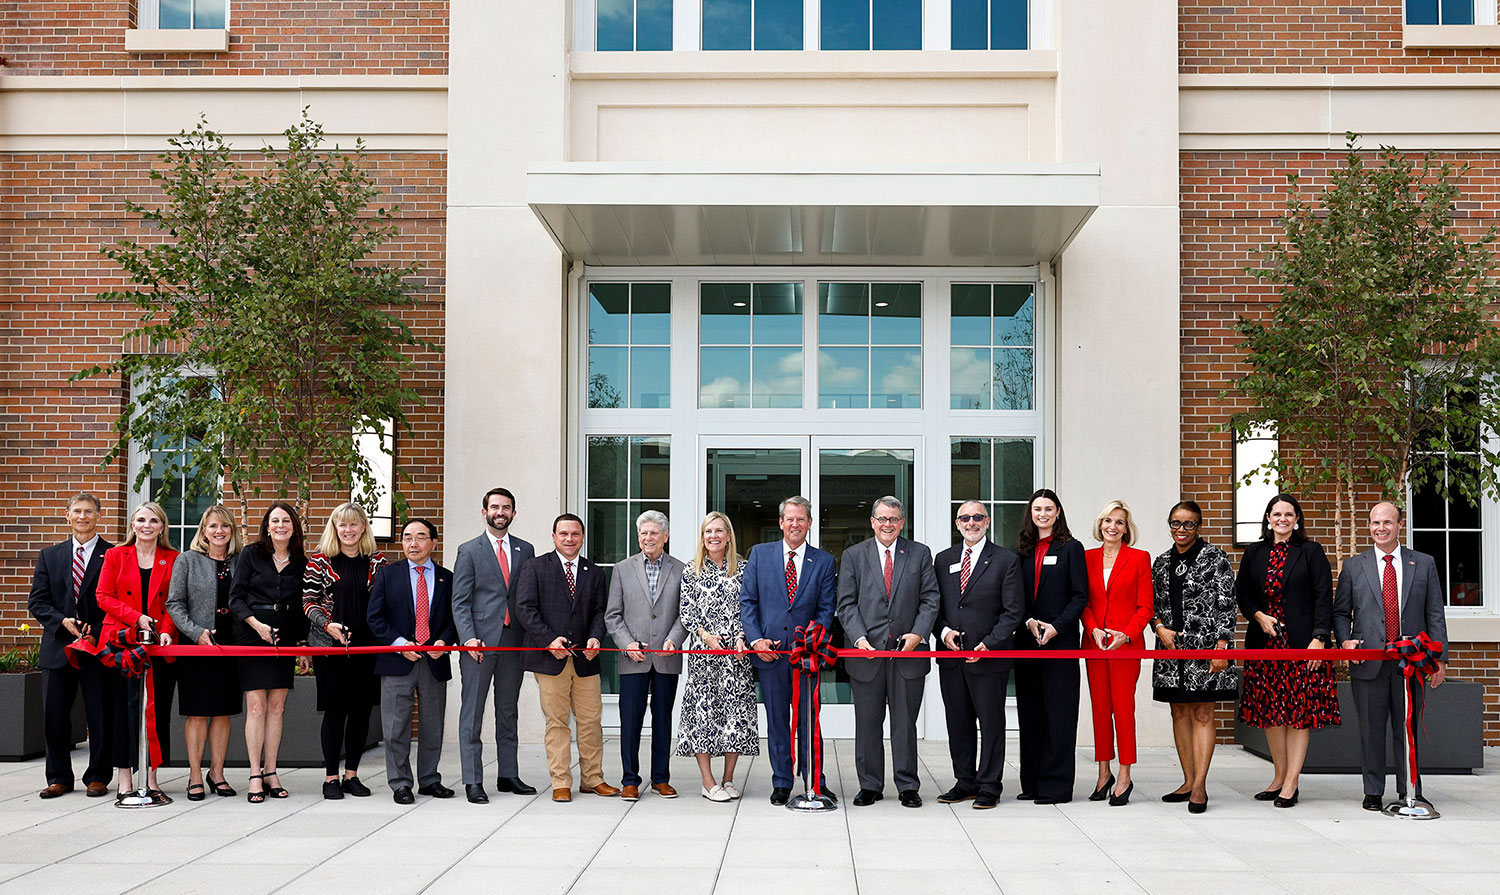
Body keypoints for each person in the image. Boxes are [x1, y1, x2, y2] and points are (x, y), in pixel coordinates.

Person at [1335, 501, 1448, 811]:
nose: (1380, 528)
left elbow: (1434, 612)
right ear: (1369, 526)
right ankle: (1373, 790)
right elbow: (1341, 613)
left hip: (1411, 663)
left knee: (1407, 729)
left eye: (1387, 522)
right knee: (1371, 730)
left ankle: (1409, 788)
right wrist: (1346, 642)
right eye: (1375, 523)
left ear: (1401, 524)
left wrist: (1440, 658)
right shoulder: (1354, 566)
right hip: (1368, 661)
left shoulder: (1423, 564)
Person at [1236, 493, 1340, 808]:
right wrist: (1258, 616)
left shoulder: (1310, 551)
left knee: (1298, 715)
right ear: (1268, 518)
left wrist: (1319, 639)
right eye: (1276, 514)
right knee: (1271, 713)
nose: (1282, 519)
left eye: (1289, 514)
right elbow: (1243, 592)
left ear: (1297, 519)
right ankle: (1279, 776)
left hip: (1302, 645)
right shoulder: (1254, 552)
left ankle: (1292, 782)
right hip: (1264, 644)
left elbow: (1324, 597)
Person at [836, 495, 939, 809]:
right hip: (866, 654)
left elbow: (930, 599)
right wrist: (858, 638)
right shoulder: (854, 555)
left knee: (905, 724)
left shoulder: (919, 554)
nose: (887, 525)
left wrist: (918, 634)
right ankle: (870, 785)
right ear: (872, 522)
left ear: (901, 522)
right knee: (867, 723)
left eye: (893, 519)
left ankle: (907, 785)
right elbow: (846, 603)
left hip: (908, 654)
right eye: (881, 519)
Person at [740, 496, 838, 806]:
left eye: (801, 519)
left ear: (810, 523)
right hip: (769, 655)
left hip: (806, 657)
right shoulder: (759, 555)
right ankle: (782, 781)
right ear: (780, 523)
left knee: (809, 721)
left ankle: (814, 781)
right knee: (778, 721)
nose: (795, 524)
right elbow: (748, 602)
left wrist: (811, 642)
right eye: (789, 519)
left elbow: (826, 610)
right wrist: (756, 640)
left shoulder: (823, 561)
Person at [515, 514, 621, 802]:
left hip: (587, 659)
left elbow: (601, 611)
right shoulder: (534, 567)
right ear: (553, 537)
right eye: (563, 533)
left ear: (582, 537)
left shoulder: (594, 572)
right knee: (557, 722)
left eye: (575, 534)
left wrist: (596, 637)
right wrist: (549, 640)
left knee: (591, 722)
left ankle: (592, 779)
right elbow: (525, 609)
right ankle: (561, 781)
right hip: (550, 659)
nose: (569, 539)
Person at [933, 500, 1024, 810]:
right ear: (957, 523)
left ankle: (989, 785)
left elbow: (1012, 612)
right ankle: (965, 781)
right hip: (952, 657)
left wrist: (989, 644)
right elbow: (936, 606)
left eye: (977, 517)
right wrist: (944, 633)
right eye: (965, 518)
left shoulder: (1005, 560)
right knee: (957, 722)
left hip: (989, 657)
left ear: (987, 522)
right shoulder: (943, 559)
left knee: (991, 723)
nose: (971, 522)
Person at [1150, 500, 1237, 814]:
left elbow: (1227, 604)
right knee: (1179, 713)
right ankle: (1187, 780)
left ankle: (1200, 786)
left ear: (1199, 526)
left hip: (1207, 648)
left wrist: (1222, 646)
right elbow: (1153, 606)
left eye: (1188, 524)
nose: (1181, 530)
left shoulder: (1216, 558)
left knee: (1202, 713)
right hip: (1171, 654)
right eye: (1175, 523)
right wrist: (1159, 628)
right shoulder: (1161, 562)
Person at [451, 486, 537, 803]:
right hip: (478, 644)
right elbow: (459, 602)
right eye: (495, 507)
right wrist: (468, 637)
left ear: (513, 513)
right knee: (472, 714)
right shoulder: (469, 550)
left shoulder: (525, 550)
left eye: (506, 507)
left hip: (513, 643)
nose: (500, 512)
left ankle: (508, 775)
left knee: (507, 711)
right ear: (484, 511)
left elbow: (525, 597)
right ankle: (473, 780)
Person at [27, 493, 114, 799]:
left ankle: (98, 776)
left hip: (97, 648)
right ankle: (59, 777)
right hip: (58, 647)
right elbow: (37, 601)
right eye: (77, 511)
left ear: (98, 516)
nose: (82, 516)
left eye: (89, 511)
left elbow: (116, 602)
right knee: (54, 717)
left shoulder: (112, 554)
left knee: (100, 715)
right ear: (67, 515)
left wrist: (98, 634)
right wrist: (61, 621)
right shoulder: (50, 556)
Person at [302, 503, 388, 800]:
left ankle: (352, 775)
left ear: (363, 527)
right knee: (335, 712)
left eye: (354, 525)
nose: (348, 530)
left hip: (367, 648)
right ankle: (330, 778)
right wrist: (327, 626)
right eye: (343, 525)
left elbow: (386, 603)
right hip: (330, 648)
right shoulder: (320, 561)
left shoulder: (378, 562)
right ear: (334, 528)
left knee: (362, 712)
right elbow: (308, 602)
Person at [368, 517, 457, 804]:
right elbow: (375, 617)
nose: (413, 543)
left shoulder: (448, 577)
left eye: (420, 537)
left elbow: (455, 619)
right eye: (407, 537)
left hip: (434, 661)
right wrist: (399, 644)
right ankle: (400, 783)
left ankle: (430, 779)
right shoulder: (387, 575)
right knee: (396, 727)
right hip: (397, 661)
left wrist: (443, 642)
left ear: (434, 542)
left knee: (433, 726)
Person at [95, 501, 179, 799]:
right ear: (132, 525)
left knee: (156, 711)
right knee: (122, 711)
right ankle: (124, 777)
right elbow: (102, 596)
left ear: (162, 527)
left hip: (159, 646)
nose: (147, 525)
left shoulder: (173, 558)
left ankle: (152, 775)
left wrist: (167, 631)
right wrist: (137, 617)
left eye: (154, 521)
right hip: (120, 643)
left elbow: (174, 602)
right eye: (141, 519)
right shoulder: (116, 555)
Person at [229, 502, 308, 803]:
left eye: (285, 520)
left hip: (285, 635)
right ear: (266, 526)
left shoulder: (301, 561)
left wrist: (301, 646)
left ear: (293, 526)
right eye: (274, 520)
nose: (280, 525)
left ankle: (271, 771)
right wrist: (257, 625)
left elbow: (302, 607)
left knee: (277, 708)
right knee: (257, 707)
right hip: (252, 633)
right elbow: (236, 599)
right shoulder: (251, 554)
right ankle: (253, 774)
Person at [675, 512, 757, 802]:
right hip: (704, 655)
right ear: (703, 537)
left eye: (719, 531)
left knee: (735, 714)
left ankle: (728, 779)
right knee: (704, 715)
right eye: (708, 531)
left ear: (728, 536)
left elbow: (748, 608)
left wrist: (740, 636)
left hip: (736, 655)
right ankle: (708, 781)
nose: (713, 536)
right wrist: (705, 635)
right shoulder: (691, 570)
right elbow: (686, 610)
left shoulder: (744, 569)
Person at [605, 510, 687, 801]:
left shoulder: (681, 569)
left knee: (663, 719)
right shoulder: (622, 569)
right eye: (643, 533)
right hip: (633, 658)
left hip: (666, 656)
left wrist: (673, 640)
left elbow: (684, 614)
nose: (648, 538)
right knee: (630, 721)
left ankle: (660, 778)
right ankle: (630, 779)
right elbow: (612, 615)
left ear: (665, 536)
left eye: (654, 533)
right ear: (638, 536)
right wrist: (626, 643)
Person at [1014, 488, 1088, 805]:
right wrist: (1029, 621)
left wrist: (1056, 626)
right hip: (1027, 642)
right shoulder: (1021, 551)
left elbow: (1080, 595)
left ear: (1058, 512)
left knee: (1058, 714)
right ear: (1030, 513)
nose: (1042, 514)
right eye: (1037, 509)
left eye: (1048, 508)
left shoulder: (1071, 548)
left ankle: (1056, 786)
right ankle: (1031, 782)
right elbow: (1016, 596)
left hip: (1061, 643)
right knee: (1030, 715)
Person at [166, 504, 243, 801]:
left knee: (223, 713)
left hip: (232, 647)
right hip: (196, 646)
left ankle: (217, 773)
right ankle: (195, 774)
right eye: (213, 526)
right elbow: (174, 603)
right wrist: (196, 633)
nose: (219, 531)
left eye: (225, 526)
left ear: (232, 531)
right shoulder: (187, 560)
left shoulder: (240, 562)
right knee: (197, 713)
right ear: (203, 531)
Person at [1082, 500, 1154, 806]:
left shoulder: (1139, 558)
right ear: (1100, 525)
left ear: (1127, 528)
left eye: (1119, 522)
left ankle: (1125, 774)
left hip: (1126, 646)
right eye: (1107, 521)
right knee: (1100, 708)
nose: (1112, 526)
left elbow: (1145, 606)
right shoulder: (1085, 558)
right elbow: (1081, 600)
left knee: (1123, 709)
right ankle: (1103, 772)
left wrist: (1126, 634)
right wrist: (1093, 627)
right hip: (1095, 644)